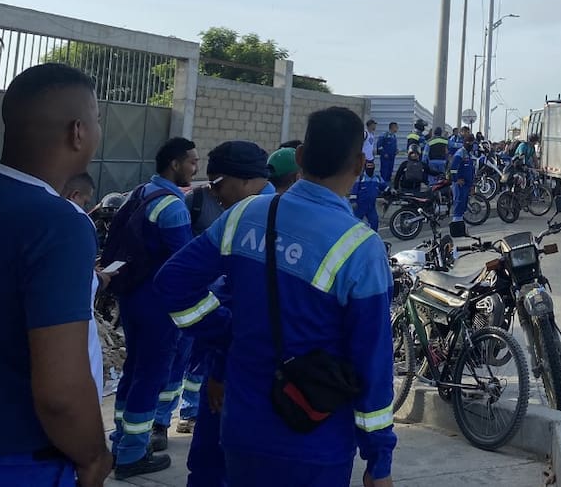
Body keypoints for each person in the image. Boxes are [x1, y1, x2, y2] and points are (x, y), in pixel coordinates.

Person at [155, 107, 396, 486]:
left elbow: (171, 283)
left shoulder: (245, 214)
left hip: (241, 431)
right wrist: (378, 459)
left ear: (300, 156)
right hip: (316, 439)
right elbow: (374, 363)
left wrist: (225, 332)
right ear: (361, 163)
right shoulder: (360, 248)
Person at [0, 63, 111, 487]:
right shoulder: (60, 224)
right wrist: (94, 457)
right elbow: (60, 392)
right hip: (15, 463)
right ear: (78, 131)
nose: (98, 129)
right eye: (97, 118)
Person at [179, 142, 274, 487]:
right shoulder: (291, 216)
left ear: (248, 180)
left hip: (237, 373)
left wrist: (219, 338)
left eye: (218, 182)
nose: (214, 193)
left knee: (212, 465)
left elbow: (174, 282)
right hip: (283, 385)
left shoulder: (246, 218)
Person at [107, 137, 198, 478]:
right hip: (158, 303)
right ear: (175, 164)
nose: (195, 167)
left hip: (131, 296)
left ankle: (120, 441)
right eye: (191, 161)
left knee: (135, 368)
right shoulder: (173, 207)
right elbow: (183, 262)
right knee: (152, 374)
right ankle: (132, 453)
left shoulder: (140, 193)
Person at [60, 173, 106, 401]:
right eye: (86, 201)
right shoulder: (76, 219)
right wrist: (100, 279)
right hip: (76, 320)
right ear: (75, 194)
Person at [449, 135, 476, 237]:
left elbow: (471, 170)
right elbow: (453, 168)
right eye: (469, 143)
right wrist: (456, 179)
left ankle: (461, 229)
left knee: (463, 205)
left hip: (467, 185)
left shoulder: (468, 155)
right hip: (460, 184)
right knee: (458, 204)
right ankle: (456, 229)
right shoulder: (460, 153)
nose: (471, 145)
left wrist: (472, 185)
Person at [352, 159, 388, 231]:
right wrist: (353, 201)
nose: (370, 168)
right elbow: (354, 190)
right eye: (368, 166)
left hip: (371, 206)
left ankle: (373, 239)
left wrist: (391, 191)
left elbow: (385, 187)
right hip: (360, 205)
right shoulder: (360, 177)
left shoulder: (377, 178)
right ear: (365, 167)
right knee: (355, 224)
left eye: (372, 166)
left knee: (374, 222)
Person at [377, 122, 399, 187]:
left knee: (390, 172)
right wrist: (384, 153)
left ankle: (388, 187)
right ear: (392, 127)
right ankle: (383, 187)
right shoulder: (384, 135)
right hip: (385, 158)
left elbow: (393, 146)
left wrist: (396, 150)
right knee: (384, 172)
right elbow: (379, 146)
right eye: (396, 127)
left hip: (392, 157)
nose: (397, 128)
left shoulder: (394, 136)